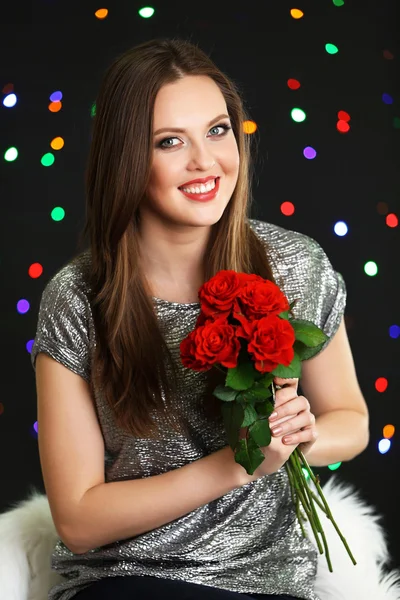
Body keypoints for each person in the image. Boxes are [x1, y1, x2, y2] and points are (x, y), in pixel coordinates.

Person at [31, 37, 370, 600]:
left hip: (269, 580)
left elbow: (352, 421)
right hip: (130, 579)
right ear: (126, 159)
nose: (206, 162)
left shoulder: (293, 264)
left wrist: (300, 438)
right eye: (170, 142)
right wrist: (240, 464)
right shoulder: (77, 297)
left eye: (217, 131)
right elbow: (79, 519)